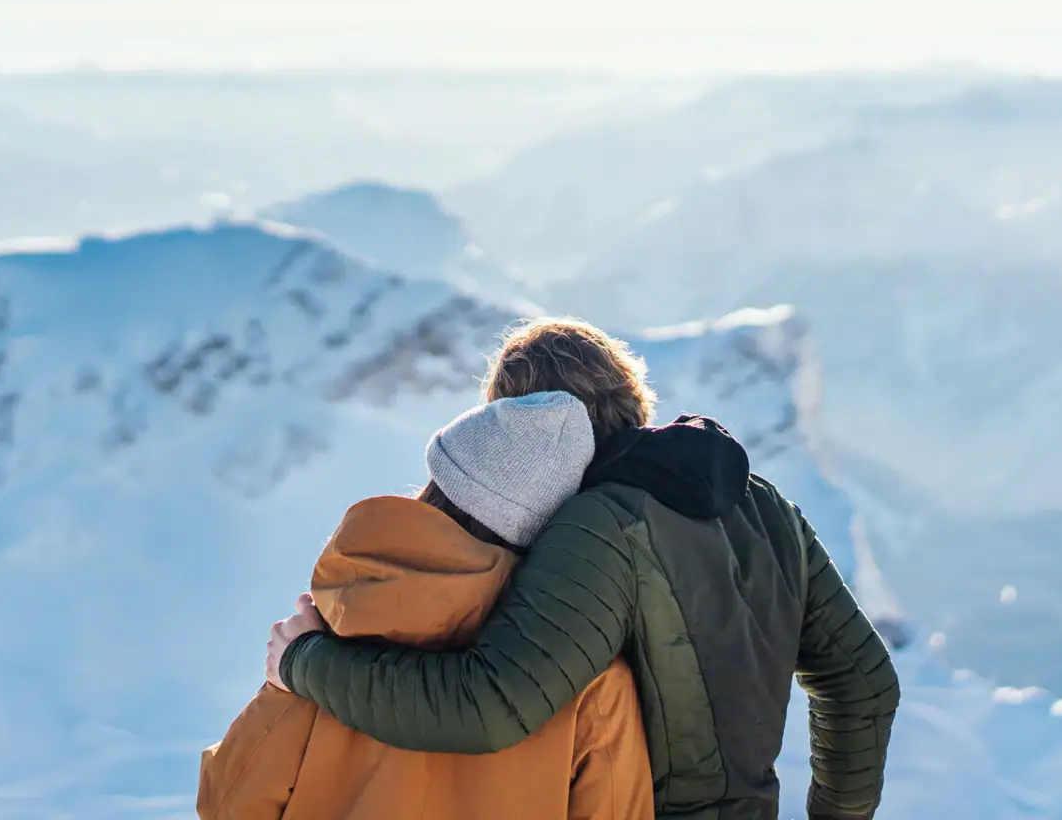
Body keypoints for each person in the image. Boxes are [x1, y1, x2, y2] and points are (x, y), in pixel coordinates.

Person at [270, 318, 901, 819]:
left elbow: (490, 705)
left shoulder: (598, 529)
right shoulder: (763, 504)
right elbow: (864, 683)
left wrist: (306, 662)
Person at [198, 389, 654, 820]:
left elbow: (228, 806)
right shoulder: (588, 680)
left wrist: (282, 689)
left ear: (437, 485)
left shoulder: (332, 628)